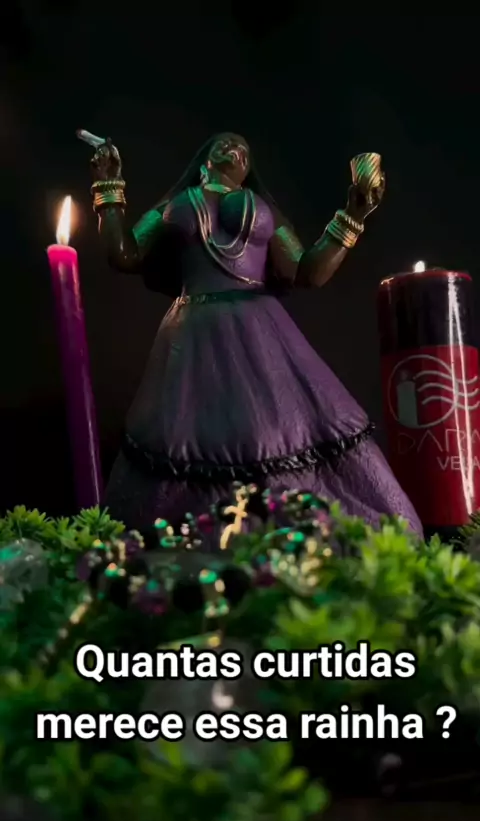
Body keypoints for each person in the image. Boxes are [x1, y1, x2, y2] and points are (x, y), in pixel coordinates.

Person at [89, 132, 422, 535]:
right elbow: (124, 253)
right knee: (187, 434)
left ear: (249, 170)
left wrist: (354, 213)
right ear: (204, 160)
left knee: (278, 429)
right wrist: (108, 185)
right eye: (224, 144)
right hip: (192, 333)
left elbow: (307, 271)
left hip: (261, 332)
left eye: (243, 149)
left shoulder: (263, 209)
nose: (234, 149)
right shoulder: (174, 207)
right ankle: (200, 534)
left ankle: (285, 528)